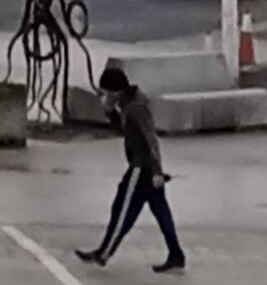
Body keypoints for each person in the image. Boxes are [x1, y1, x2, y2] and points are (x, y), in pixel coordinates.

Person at [77, 63, 186, 273]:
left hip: (141, 168)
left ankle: (104, 253)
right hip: (142, 167)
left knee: (123, 209)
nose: (105, 96)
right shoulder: (128, 105)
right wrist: (111, 113)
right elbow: (126, 132)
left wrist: (156, 171)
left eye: (107, 92)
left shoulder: (136, 108)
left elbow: (151, 139)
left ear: (115, 91)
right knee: (160, 211)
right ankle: (176, 254)